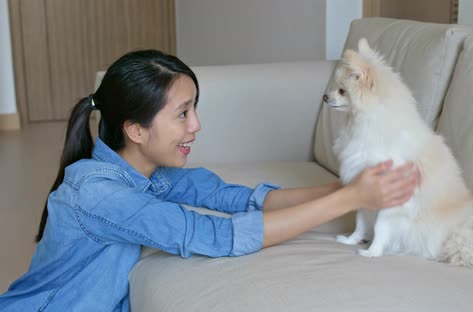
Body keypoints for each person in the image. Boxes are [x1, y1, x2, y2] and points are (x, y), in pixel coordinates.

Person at [0, 50, 420, 311]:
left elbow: (237, 200)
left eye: (194, 108)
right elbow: (217, 236)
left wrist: (348, 188)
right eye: (183, 113)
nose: (197, 125)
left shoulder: (150, 172)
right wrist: (348, 200)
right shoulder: (99, 193)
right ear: (136, 130)